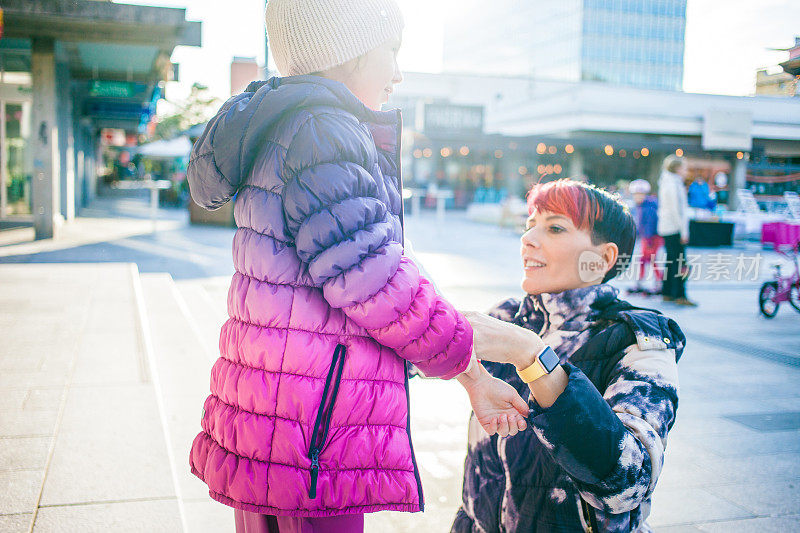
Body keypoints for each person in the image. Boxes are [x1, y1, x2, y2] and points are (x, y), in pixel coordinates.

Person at [185, 1, 529, 532]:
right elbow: (375, 281)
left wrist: (471, 377)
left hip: (273, 416)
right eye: (391, 50)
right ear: (346, 51)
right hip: (314, 431)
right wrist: (474, 360)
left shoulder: (283, 126)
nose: (398, 72)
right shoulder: (324, 133)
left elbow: (367, 267)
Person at [452, 179, 685, 532]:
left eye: (555, 227)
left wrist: (531, 355)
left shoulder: (637, 342)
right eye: (530, 225)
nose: (527, 239)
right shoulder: (506, 317)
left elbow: (627, 484)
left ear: (602, 259)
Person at [658, 155, 697, 306]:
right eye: (684, 167)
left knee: (671, 261)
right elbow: (676, 210)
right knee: (681, 263)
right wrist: (683, 231)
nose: (686, 171)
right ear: (677, 168)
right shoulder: (674, 184)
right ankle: (680, 294)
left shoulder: (666, 182)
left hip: (667, 227)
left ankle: (667, 292)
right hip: (675, 227)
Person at [628, 179, 663, 294]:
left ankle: (658, 282)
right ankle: (642, 282)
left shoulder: (649, 207)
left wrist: (648, 239)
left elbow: (649, 224)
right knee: (644, 260)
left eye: (640, 194)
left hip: (652, 238)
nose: (637, 197)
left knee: (651, 259)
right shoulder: (639, 206)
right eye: (635, 195)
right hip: (646, 238)